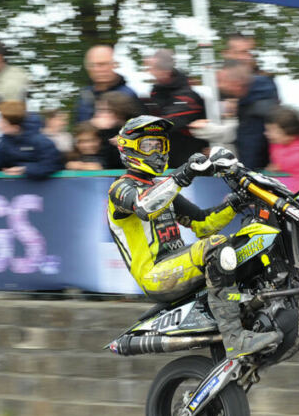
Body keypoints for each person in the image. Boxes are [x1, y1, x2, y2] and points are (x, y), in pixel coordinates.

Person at [106, 115, 280, 359]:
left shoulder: (160, 188)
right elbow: (144, 207)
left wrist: (238, 201)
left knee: (240, 243)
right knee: (215, 246)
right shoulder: (119, 189)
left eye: (160, 145)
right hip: (154, 275)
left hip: (177, 262)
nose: (157, 152)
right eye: (148, 146)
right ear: (130, 148)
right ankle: (235, 338)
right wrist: (183, 175)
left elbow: (203, 224)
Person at [206, 59, 278, 169]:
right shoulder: (248, 99)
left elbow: (251, 149)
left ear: (237, 85)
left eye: (222, 81)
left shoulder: (257, 111)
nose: (219, 85)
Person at [143, 49, 207, 168]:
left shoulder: (187, 96)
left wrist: (134, 132)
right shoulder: (156, 91)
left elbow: (169, 122)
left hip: (188, 156)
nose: (150, 72)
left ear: (166, 72)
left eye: (153, 68)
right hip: (166, 155)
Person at [75, 44, 140, 123]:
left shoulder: (128, 95)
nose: (97, 69)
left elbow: (142, 127)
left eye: (102, 64)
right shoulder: (84, 95)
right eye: (92, 65)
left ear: (114, 65)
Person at [92, 90, 145, 169]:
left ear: (119, 112)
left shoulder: (136, 133)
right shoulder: (98, 132)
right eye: (98, 110)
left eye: (105, 111)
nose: (98, 115)